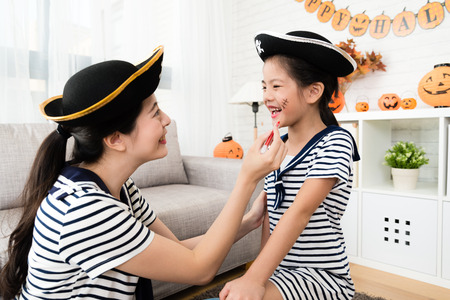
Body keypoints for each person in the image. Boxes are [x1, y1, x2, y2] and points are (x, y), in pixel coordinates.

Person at [0, 45, 287, 300]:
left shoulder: (119, 186)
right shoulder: (85, 210)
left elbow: (180, 251)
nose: (167, 120)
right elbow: (199, 269)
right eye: (154, 112)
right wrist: (246, 179)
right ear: (115, 139)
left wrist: (249, 221)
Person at [219, 31, 360, 300]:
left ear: (313, 91)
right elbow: (270, 217)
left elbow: (299, 213)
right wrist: (263, 275)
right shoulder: (276, 147)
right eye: (264, 86)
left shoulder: (335, 142)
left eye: (276, 86)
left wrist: (254, 279)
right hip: (281, 273)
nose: (267, 96)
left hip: (322, 276)